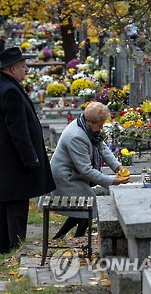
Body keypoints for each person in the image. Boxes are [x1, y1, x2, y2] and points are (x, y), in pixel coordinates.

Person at [0, 47, 56, 254]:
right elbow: (18, 130)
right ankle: (16, 248)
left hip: (6, 157)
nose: (26, 69)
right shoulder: (9, 91)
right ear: (12, 68)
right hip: (14, 159)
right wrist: (30, 158)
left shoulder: (3, 86)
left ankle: (5, 247)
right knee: (16, 204)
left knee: (6, 202)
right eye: (23, 65)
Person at [50, 102, 129, 239]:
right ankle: (78, 240)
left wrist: (118, 167)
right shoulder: (77, 136)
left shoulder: (87, 128)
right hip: (65, 178)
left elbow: (102, 147)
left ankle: (60, 237)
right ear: (90, 122)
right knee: (89, 206)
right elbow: (86, 169)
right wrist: (111, 181)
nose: (101, 128)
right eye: (100, 125)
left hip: (73, 174)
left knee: (84, 208)